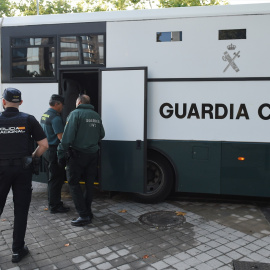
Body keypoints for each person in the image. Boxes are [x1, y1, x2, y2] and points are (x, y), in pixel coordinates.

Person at [0, 88, 48, 263]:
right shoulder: (28, 119)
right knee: (21, 210)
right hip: (22, 170)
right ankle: (17, 250)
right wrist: (32, 158)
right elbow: (44, 145)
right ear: (20, 103)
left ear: (3, 102)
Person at [57, 94, 105, 226]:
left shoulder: (75, 114)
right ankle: (88, 212)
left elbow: (67, 138)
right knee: (89, 185)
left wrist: (60, 154)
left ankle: (83, 215)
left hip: (77, 155)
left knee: (73, 183)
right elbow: (102, 134)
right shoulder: (96, 115)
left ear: (78, 102)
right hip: (93, 154)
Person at [40, 94, 70, 214]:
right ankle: (55, 206)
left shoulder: (44, 115)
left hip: (46, 151)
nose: (62, 108)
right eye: (61, 105)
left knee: (51, 179)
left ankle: (53, 203)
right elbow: (61, 137)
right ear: (57, 103)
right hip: (54, 151)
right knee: (56, 180)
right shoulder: (56, 118)